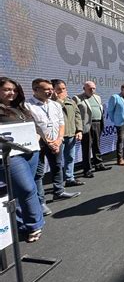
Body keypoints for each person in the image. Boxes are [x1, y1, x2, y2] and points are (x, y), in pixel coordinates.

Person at [26, 79, 80, 216]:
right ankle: (41, 202)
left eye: (51, 89)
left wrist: (58, 139)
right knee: (38, 173)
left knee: (57, 166)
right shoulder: (27, 106)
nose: (50, 91)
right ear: (35, 90)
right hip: (38, 144)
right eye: (46, 89)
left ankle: (59, 191)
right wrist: (48, 141)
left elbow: (61, 123)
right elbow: (33, 127)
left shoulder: (55, 105)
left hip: (56, 141)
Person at [0, 77, 44, 242]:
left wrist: (38, 136)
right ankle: (34, 225)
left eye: (14, 90)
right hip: (11, 156)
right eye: (7, 89)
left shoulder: (21, 108)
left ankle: (21, 224)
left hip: (31, 152)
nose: (12, 93)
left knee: (22, 190)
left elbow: (35, 126)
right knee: (26, 189)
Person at [73, 81, 111, 178]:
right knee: (86, 148)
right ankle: (87, 169)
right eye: (90, 88)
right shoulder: (77, 98)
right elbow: (75, 114)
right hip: (86, 125)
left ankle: (98, 164)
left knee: (97, 145)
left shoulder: (97, 97)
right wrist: (78, 129)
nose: (92, 90)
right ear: (84, 88)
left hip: (98, 123)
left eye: (94, 88)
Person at [51, 80, 84, 187]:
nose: (62, 91)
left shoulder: (70, 101)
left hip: (71, 134)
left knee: (70, 158)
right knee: (58, 162)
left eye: (64, 88)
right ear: (53, 90)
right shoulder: (50, 103)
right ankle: (58, 184)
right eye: (59, 89)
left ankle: (70, 178)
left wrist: (79, 130)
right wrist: (59, 100)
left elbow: (77, 115)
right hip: (58, 137)